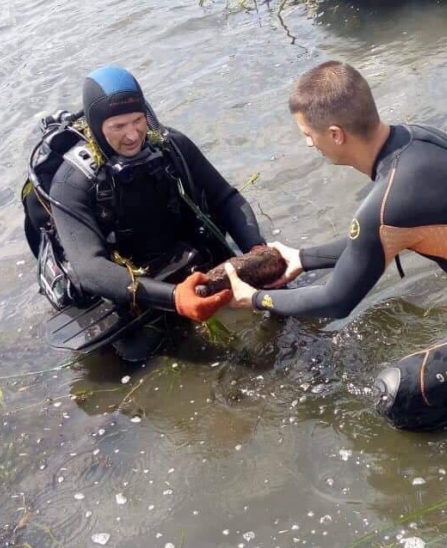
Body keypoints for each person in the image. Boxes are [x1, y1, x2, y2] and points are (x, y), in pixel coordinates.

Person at [226, 61, 447, 430]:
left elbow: (336, 302)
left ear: (336, 134)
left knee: (396, 393)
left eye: (308, 134)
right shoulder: (415, 140)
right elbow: (372, 241)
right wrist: (302, 259)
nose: (308, 143)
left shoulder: (390, 201)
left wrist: (253, 298)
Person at [23, 65, 265, 361]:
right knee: (139, 355)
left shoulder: (170, 145)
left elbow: (226, 198)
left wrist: (257, 249)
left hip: (181, 258)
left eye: (138, 121)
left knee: (270, 293)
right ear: (97, 125)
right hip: (126, 286)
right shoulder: (71, 183)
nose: (132, 135)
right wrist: (175, 298)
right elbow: (89, 268)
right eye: (118, 126)